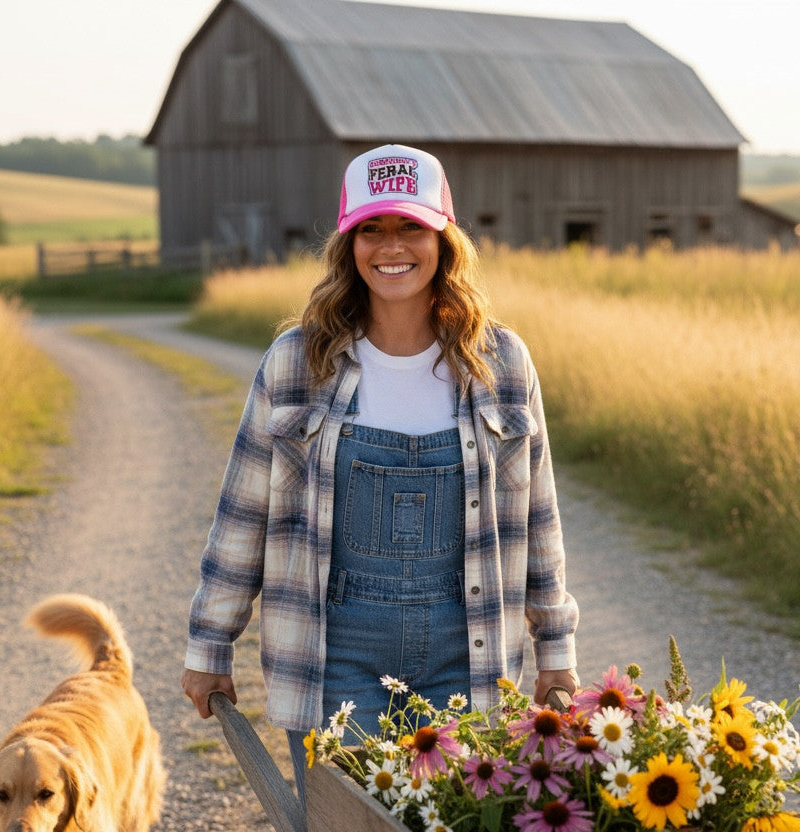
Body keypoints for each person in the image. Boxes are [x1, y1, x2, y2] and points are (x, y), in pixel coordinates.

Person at [181, 143, 579, 801]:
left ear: (443, 240)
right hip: (335, 656)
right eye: (372, 228)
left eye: (410, 227)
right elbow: (243, 514)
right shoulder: (295, 363)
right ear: (349, 243)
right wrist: (209, 645)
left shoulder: (502, 363)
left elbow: (539, 518)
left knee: (459, 818)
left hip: (471, 653)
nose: (391, 246)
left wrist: (556, 650)